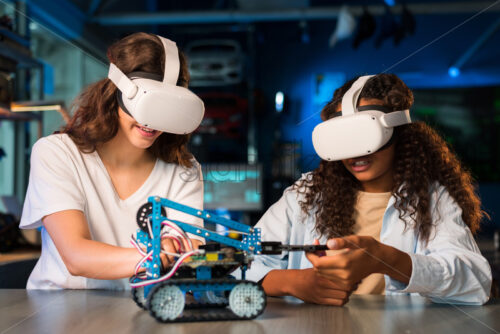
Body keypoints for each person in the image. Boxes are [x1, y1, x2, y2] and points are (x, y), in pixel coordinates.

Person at [245, 74, 492, 305]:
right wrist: (295, 283)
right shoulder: (305, 196)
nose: (355, 152)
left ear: (397, 133)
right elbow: (237, 263)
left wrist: (386, 259)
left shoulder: (431, 198)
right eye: (345, 138)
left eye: (364, 136)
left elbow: (475, 283)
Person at [19, 33, 204, 289]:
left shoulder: (184, 170)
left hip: (142, 308)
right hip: (60, 310)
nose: (151, 122)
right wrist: (160, 256)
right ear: (117, 90)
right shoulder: (57, 153)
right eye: (146, 103)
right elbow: (76, 257)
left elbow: (188, 250)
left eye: (166, 108)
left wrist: (182, 250)